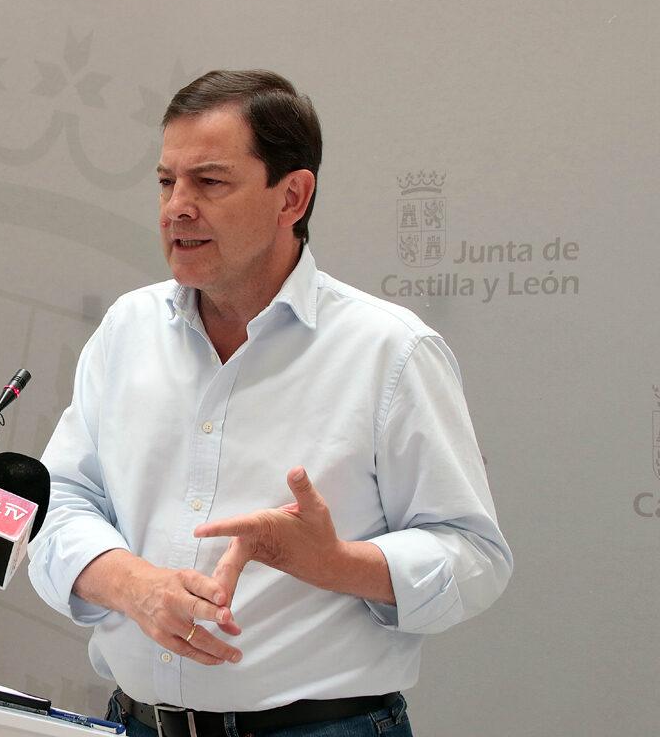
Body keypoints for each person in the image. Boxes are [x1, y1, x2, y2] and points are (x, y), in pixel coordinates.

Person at [27, 69, 512, 737]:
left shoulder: (390, 352)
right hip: (134, 722)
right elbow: (56, 503)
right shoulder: (127, 329)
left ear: (292, 197)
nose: (176, 208)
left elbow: (474, 557)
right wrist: (134, 585)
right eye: (167, 182)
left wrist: (335, 564)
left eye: (209, 182)